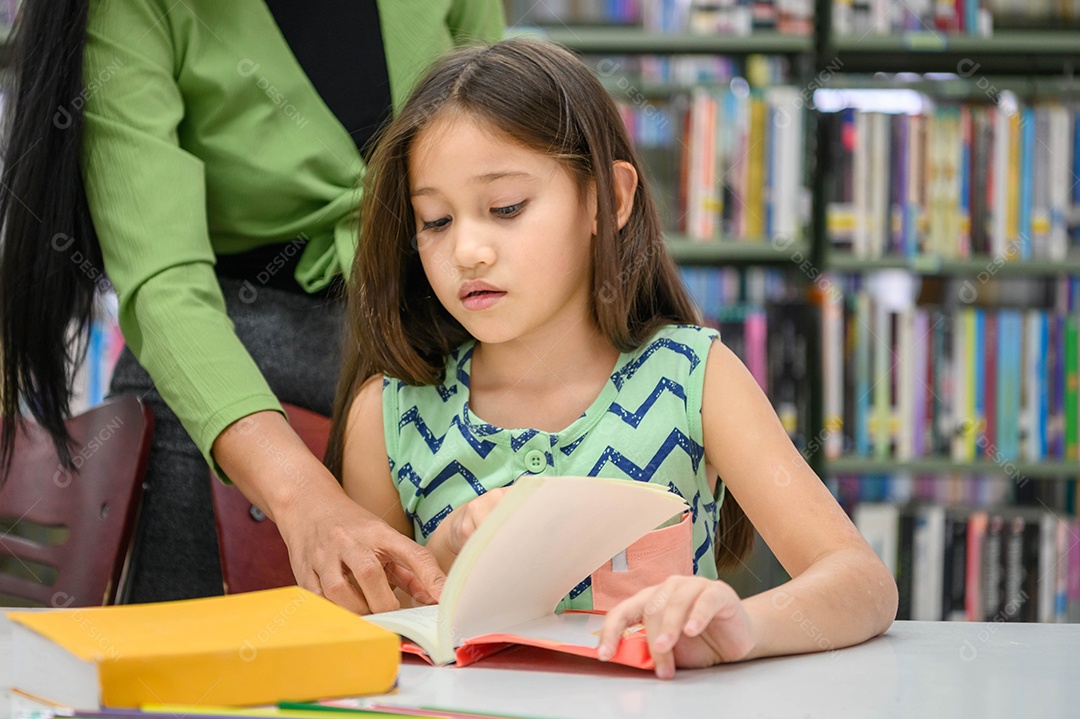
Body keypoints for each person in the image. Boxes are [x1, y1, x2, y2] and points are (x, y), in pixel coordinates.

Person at [328, 36, 898, 676]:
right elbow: (367, 634)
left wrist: (742, 626)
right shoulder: (389, 414)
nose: (467, 250)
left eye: (506, 208)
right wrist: (446, 547)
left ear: (608, 199)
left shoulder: (692, 378)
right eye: (434, 220)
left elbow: (863, 584)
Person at [0, 0, 502, 609]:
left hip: (436, 360)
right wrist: (305, 498)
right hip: (222, 387)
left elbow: (504, 163)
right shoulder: (131, 10)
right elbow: (164, 285)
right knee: (196, 681)